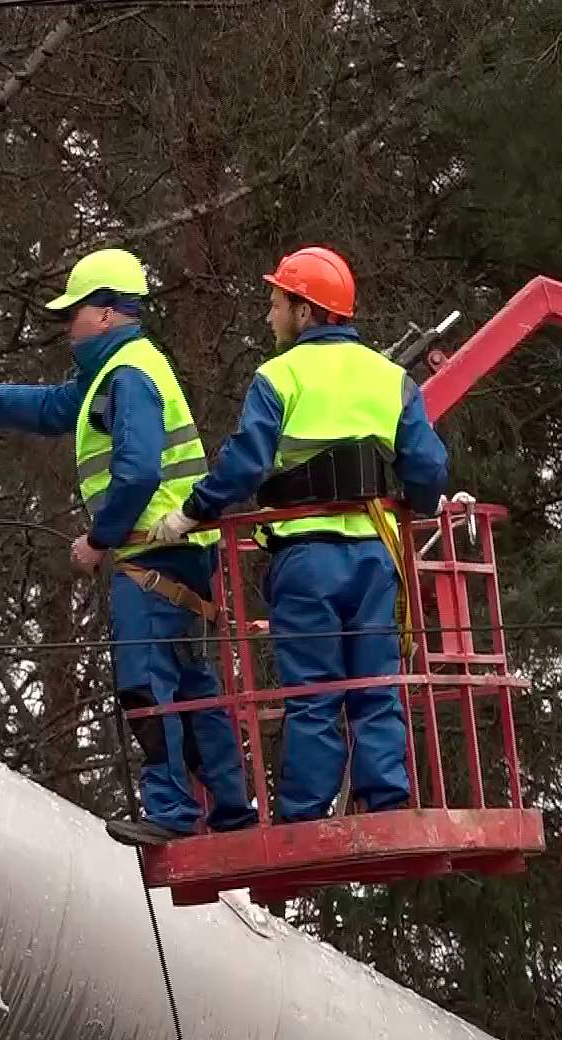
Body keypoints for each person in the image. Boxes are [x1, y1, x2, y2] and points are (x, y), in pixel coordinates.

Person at [0, 247, 257, 845]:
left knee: (145, 683)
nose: (66, 325)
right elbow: (51, 407)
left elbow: (136, 474)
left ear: (105, 313)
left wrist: (98, 541)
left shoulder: (127, 377)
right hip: (180, 556)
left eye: (73, 311)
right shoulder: (120, 371)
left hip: (149, 557)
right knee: (192, 686)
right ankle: (231, 812)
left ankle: (173, 816)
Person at [151, 245, 449, 823]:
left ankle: (307, 813)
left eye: (275, 303)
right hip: (373, 554)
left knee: (312, 692)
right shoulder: (391, 379)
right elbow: (429, 470)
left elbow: (243, 464)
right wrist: (421, 502)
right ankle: (386, 801)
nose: (269, 315)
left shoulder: (278, 376)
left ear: (304, 310)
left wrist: (191, 512)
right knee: (376, 683)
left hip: (306, 559)